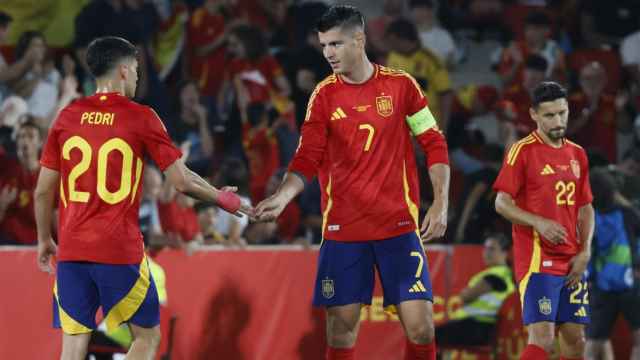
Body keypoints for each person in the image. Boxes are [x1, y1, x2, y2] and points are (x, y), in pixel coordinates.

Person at [34, 36, 250, 360]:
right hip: (118, 250)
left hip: (72, 250)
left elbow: (42, 191)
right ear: (123, 70)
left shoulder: (67, 117)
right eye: (135, 69)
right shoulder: (141, 117)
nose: (137, 77)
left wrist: (44, 240)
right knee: (148, 338)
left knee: (74, 344)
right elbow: (180, 180)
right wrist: (221, 198)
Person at [255, 5, 450, 360]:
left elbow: (434, 142)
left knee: (422, 327)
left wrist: (440, 202)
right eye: (324, 45)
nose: (328, 53)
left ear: (359, 40)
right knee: (341, 332)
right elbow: (307, 158)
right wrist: (283, 197)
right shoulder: (323, 96)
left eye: (336, 44)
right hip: (345, 231)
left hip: (398, 227)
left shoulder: (401, 86)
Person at [493, 81, 595, 359]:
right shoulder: (522, 151)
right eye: (550, 115)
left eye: (562, 113)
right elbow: (501, 203)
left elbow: (585, 207)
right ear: (534, 115)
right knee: (543, 340)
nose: (558, 120)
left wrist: (585, 249)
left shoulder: (577, 154)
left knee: (576, 341)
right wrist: (538, 222)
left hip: (572, 261)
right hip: (538, 259)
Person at [584, 168, 640, 360]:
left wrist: (589, 278)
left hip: (602, 287)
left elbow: (586, 254)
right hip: (630, 284)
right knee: (639, 339)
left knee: (594, 341)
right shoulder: (628, 213)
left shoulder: (589, 218)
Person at [436, 234, 515, 347]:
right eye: (485, 248)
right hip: (477, 326)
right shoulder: (499, 273)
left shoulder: (497, 275)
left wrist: (465, 292)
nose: (486, 252)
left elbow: (466, 296)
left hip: (478, 326)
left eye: (492, 249)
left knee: (429, 337)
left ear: (504, 253)